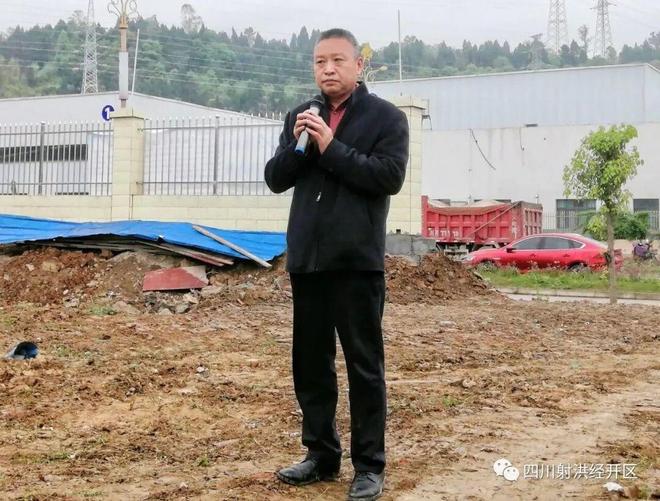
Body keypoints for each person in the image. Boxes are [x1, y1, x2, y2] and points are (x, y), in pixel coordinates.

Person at [264, 28, 409, 501]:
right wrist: (299, 146)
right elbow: (275, 179)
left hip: (355, 263)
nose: (327, 69)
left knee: (364, 367)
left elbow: (388, 177)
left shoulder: (386, 118)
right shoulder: (301, 115)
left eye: (337, 60)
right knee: (310, 365)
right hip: (308, 260)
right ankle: (321, 454)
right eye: (319, 61)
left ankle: (369, 466)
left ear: (358, 65)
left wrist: (331, 146)